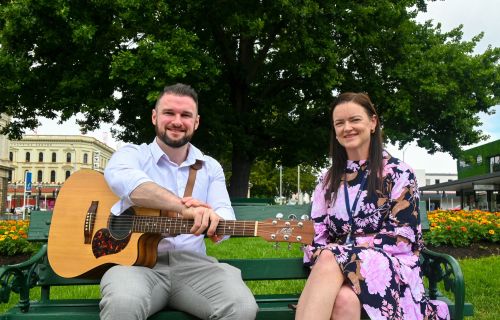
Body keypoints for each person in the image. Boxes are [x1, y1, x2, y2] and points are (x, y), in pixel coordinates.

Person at [101, 83, 258, 320]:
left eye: (186, 115)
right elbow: (126, 180)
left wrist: (215, 220)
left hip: (194, 266)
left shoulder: (210, 167)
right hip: (135, 266)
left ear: (196, 122)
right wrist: (184, 208)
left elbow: (224, 212)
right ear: (154, 117)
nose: (177, 121)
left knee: (241, 307)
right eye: (169, 113)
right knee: (123, 303)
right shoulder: (132, 154)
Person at [295, 92, 450, 320]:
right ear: (335, 132)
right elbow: (317, 233)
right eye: (339, 123)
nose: (347, 127)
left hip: (391, 265)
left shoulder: (398, 173)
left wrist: (342, 252)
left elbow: (401, 237)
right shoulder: (328, 180)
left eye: (354, 120)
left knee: (330, 256)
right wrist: (337, 256)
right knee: (344, 299)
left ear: (373, 123)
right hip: (337, 271)